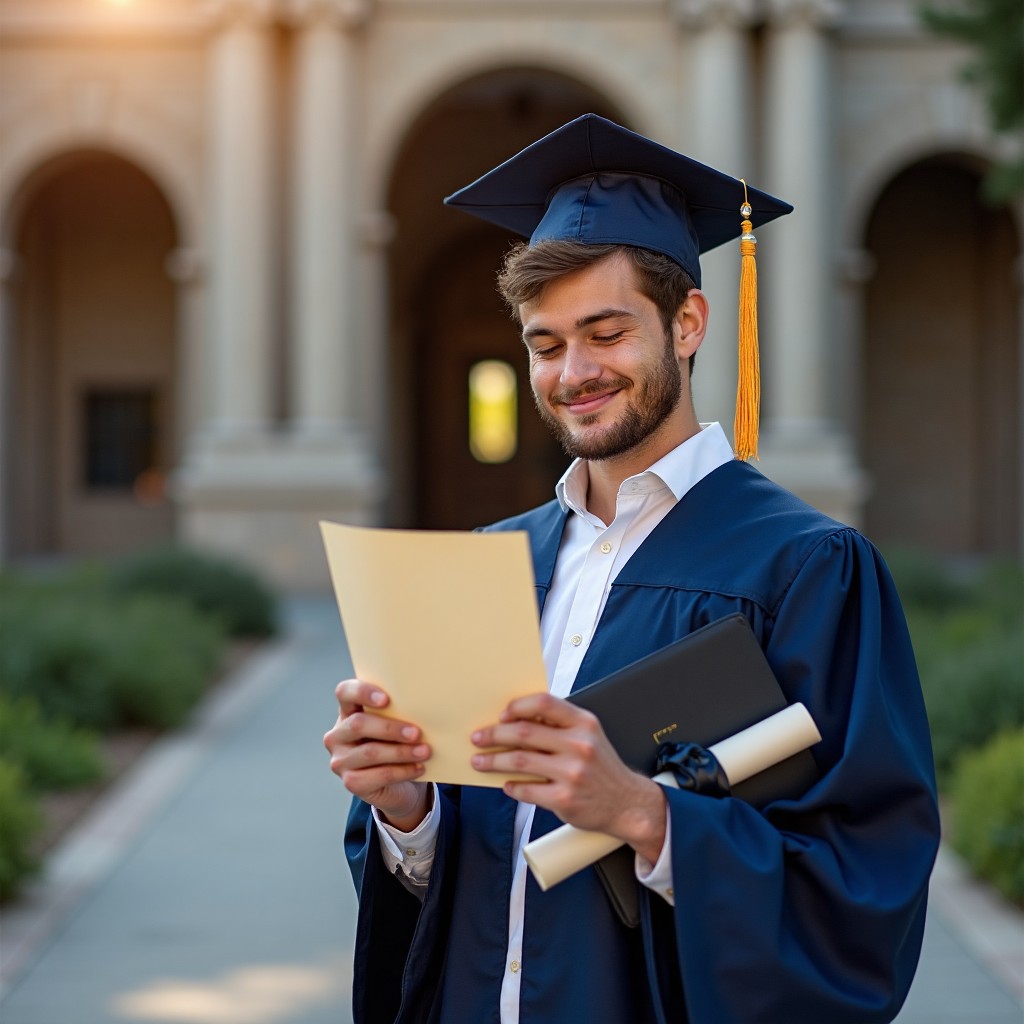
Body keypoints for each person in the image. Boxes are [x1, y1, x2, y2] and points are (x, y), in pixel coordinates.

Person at [324, 114, 940, 1024]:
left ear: (687, 323)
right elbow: (450, 884)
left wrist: (645, 815)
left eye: (606, 333)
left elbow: (865, 892)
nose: (573, 372)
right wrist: (405, 810)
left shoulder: (806, 569)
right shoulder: (495, 563)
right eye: (544, 344)